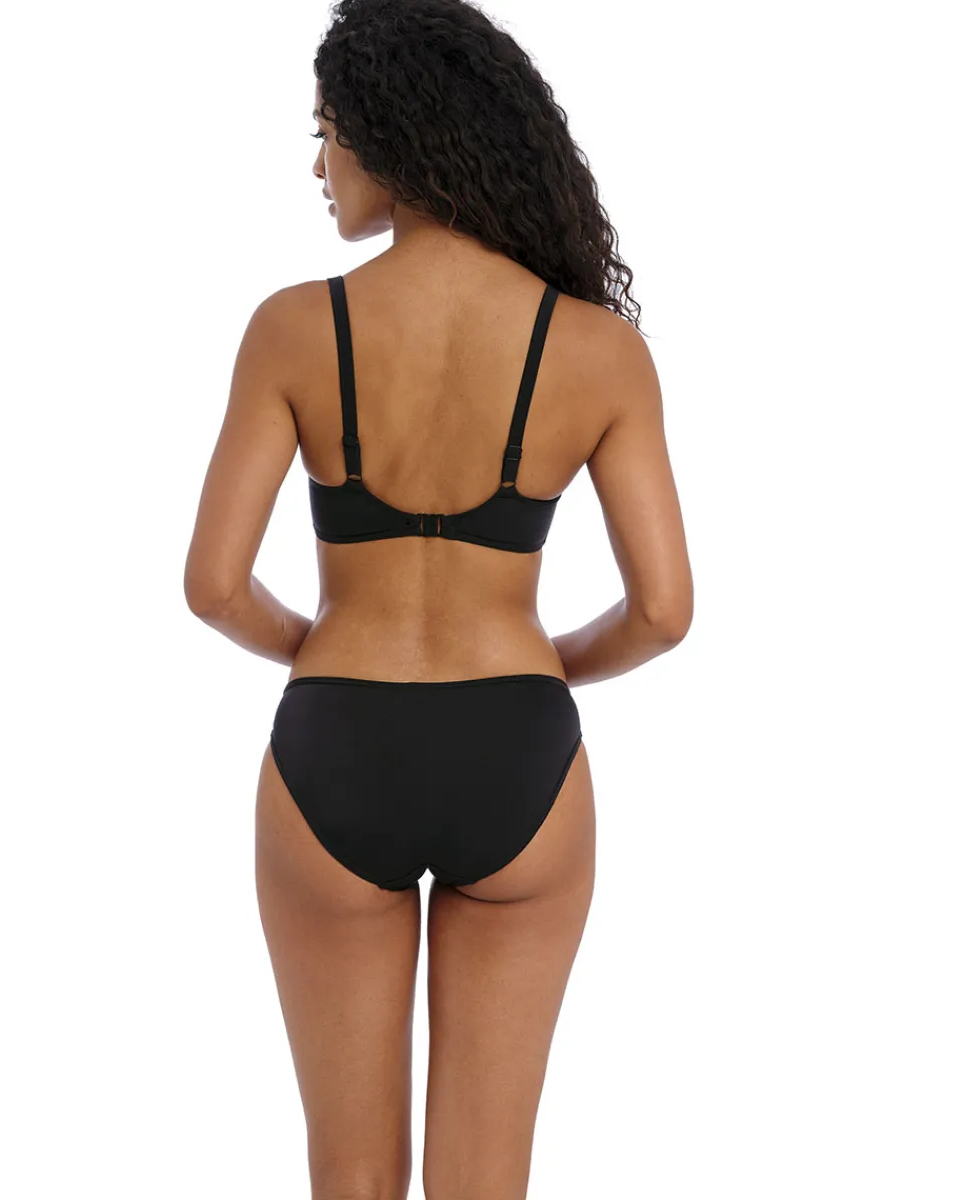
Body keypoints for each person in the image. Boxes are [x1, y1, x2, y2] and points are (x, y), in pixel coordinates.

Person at [184, 0, 693, 1195]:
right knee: (484, 1181)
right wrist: (542, 663)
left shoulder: (294, 329)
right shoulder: (597, 350)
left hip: (335, 741)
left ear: (393, 134)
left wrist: (321, 648)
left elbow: (212, 584)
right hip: (516, 745)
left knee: (350, 1182)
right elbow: (663, 611)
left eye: (325, 135)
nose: (319, 167)